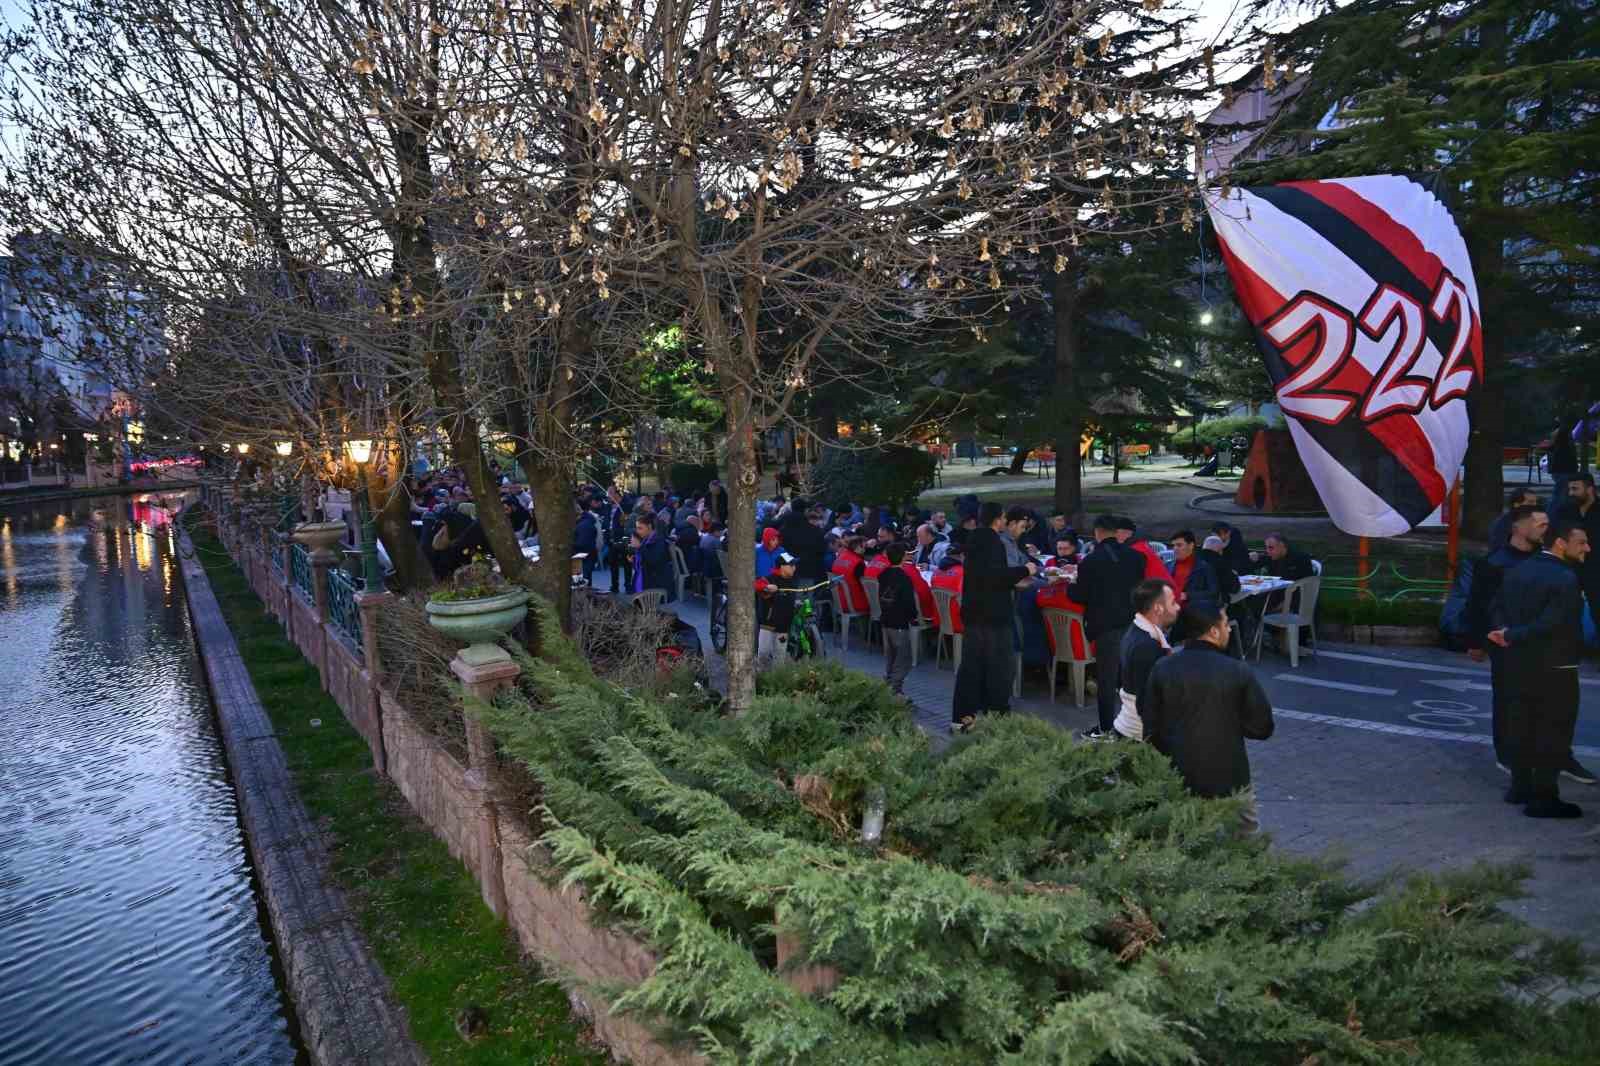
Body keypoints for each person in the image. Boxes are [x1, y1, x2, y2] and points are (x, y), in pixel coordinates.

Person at [1140, 601, 1275, 829]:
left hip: (1178, 776)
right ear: (1213, 631)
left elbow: (1150, 726)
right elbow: (1262, 727)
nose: (1229, 629)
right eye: (1225, 624)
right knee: (1246, 843)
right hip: (1230, 776)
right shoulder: (1237, 670)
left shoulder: (1163, 668)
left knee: (1186, 841)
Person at [1488, 518, 1591, 817]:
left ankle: (1520, 788)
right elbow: (1553, 623)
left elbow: (1496, 607)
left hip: (1518, 664)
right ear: (1560, 543)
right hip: (1556, 667)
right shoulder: (1566, 578)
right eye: (1581, 542)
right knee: (1554, 732)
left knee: (1521, 727)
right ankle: (1544, 798)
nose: (1588, 547)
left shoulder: (1518, 570)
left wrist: (1502, 633)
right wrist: (1510, 634)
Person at [1466, 505, 1545, 774]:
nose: (1545, 529)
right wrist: (1476, 642)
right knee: (1507, 699)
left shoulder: (1545, 560)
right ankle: (1507, 753)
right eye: (1539, 524)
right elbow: (1478, 604)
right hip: (1505, 642)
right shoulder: (1493, 563)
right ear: (1518, 528)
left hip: (1539, 641)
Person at [951, 502, 1035, 733]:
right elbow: (997, 577)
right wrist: (1026, 569)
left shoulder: (974, 539)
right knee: (999, 667)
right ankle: (995, 715)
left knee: (972, 667)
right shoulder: (993, 542)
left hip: (973, 614)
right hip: (993, 616)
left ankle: (962, 718)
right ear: (999, 519)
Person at [1068, 515, 1145, 740]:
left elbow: (1080, 595)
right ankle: (1135, 724)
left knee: (1107, 678)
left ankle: (1105, 728)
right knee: (1131, 676)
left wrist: (1071, 585)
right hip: (1132, 622)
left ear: (1098, 533)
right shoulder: (1137, 558)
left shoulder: (1091, 561)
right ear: (1117, 532)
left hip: (1106, 626)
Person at [1114, 579, 1179, 741]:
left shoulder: (1136, 631)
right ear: (1158, 608)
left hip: (1130, 729)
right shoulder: (1147, 647)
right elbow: (1148, 704)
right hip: (1140, 737)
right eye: (1173, 602)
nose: (1178, 607)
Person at [1553, 472, 1600, 650]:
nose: (1571, 493)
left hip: (1596, 568)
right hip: (1570, 567)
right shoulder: (1565, 510)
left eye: (1575, 488)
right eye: (1569, 489)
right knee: (1565, 609)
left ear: (1590, 489)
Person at [877, 543, 919, 700]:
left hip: (886, 619)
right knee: (903, 659)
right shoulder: (904, 578)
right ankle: (895, 691)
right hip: (900, 622)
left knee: (891, 656)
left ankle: (888, 685)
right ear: (903, 557)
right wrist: (913, 617)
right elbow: (909, 602)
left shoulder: (883, 575)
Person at [755, 551, 801, 666]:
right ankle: (761, 676)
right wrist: (766, 587)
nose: (794, 568)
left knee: (780, 654)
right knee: (763, 652)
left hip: (784, 625)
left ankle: (777, 678)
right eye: (791, 565)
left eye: (794, 565)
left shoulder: (793, 581)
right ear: (782, 567)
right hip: (768, 624)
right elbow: (756, 584)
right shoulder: (770, 579)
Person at [1115, 517, 1175, 585]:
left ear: (1127, 533)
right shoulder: (1139, 545)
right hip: (1162, 588)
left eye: (1116, 532)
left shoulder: (1135, 551)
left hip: (1160, 591)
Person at [779, 496, 827, 582]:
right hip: (813, 572)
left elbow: (781, 551)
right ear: (805, 511)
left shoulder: (783, 531)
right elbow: (822, 550)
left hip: (791, 573)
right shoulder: (814, 530)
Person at [630, 514, 674, 599]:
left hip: (655, 585)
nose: (637, 531)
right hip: (647, 583)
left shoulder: (659, 541)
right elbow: (643, 560)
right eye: (637, 528)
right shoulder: (646, 539)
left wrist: (639, 547)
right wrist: (634, 560)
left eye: (640, 528)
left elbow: (654, 561)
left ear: (649, 526)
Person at [1488, 488, 1541, 554]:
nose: (1535, 505)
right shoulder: (1502, 524)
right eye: (1531, 502)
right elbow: (1499, 548)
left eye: (1535, 502)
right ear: (1516, 505)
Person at [831, 534, 870, 614]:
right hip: (855, 603)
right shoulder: (858, 563)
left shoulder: (839, 557)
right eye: (864, 547)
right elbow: (864, 586)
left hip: (840, 602)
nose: (865, 550)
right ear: (858, 547)